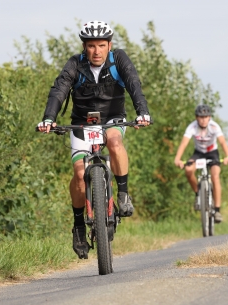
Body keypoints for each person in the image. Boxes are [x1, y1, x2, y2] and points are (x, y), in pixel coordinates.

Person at [37, 21, 151, 259]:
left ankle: (122, 194)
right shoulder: (75, 64)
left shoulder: (118, 59)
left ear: (109, 45)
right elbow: (59, 90)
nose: (96, 51)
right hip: (81, 123)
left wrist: (142, 112)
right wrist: (49, 118)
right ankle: (79, 226)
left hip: (112, 119)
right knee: (79, 175)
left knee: (115, 142)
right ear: (84, 47)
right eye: (91, 46)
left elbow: (133, 83)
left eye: (101, 45)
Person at [173, 105, 228, 223]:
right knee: (189, 170)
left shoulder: (214, 126)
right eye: (201, 117)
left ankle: (217, 210)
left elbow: (222, 142)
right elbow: (184, 143)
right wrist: (177, 159)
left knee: (215, 176)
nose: (203, 119)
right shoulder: (192, 127)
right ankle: (198, 194)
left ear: (209, 117)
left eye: (206, 117)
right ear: (196, 118)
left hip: (212, 153)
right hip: (199, 153)